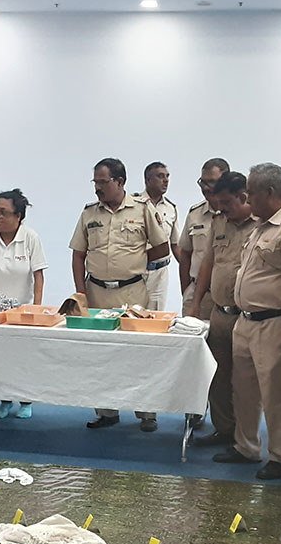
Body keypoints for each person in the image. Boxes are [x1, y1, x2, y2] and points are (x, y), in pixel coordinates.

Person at [212, 163, 281, 479]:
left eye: (251, 192)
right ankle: (246, 446)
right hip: (245, 321)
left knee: (275, 392)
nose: (247, 198)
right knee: (243, 388)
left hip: (274, 321)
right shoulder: (260, 228)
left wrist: (280, 291)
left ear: (270, 192)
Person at [70, 157, 171, 431]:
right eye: (95, 182)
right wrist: (81, 293)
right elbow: (78, 255)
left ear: (120, 181)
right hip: (97, 293)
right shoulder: (89, 213)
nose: (97, 188)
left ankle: (147, 414)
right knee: (100, 357)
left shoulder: (142, 209)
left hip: (132, 294)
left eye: (103, 182)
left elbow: (162, 248)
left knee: (139, 355)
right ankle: (107, 412)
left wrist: (134, 261)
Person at [188, 171, 259, 448]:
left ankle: (245, 437)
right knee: (217, 376)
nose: (222, 209)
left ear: (243, 197)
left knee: (244, 381)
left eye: (227, 203)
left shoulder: (261, 224)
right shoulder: (219, 221)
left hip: (247, 317)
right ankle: (224, 429)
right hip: (219, 313)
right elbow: (208, 264)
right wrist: (196, 303)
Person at [0, 188, 48, 419]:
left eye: (3, 212)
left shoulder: (30, 237)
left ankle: (26, 401)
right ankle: (4, 401)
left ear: (18, 216)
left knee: (23, 359)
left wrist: (36, 309)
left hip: (23, 311)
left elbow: (39, 276)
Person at [178, 158, 229, 320]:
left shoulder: (238, 214)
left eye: (211, 182)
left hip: (227, 297)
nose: (206, 188)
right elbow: (185, 254)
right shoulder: (195, 214)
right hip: (198, 294)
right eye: (203, 182)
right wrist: (187, 291)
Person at [137, 161, 181, 310]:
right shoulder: (134, 204)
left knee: (155, 316)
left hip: (159, 273)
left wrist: (189, 271)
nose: (166, 180)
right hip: (136, 271)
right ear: (148, 180)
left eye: (167, 176)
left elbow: (175, 244)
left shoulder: (171, 208)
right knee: (132, 314)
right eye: (160, 176)